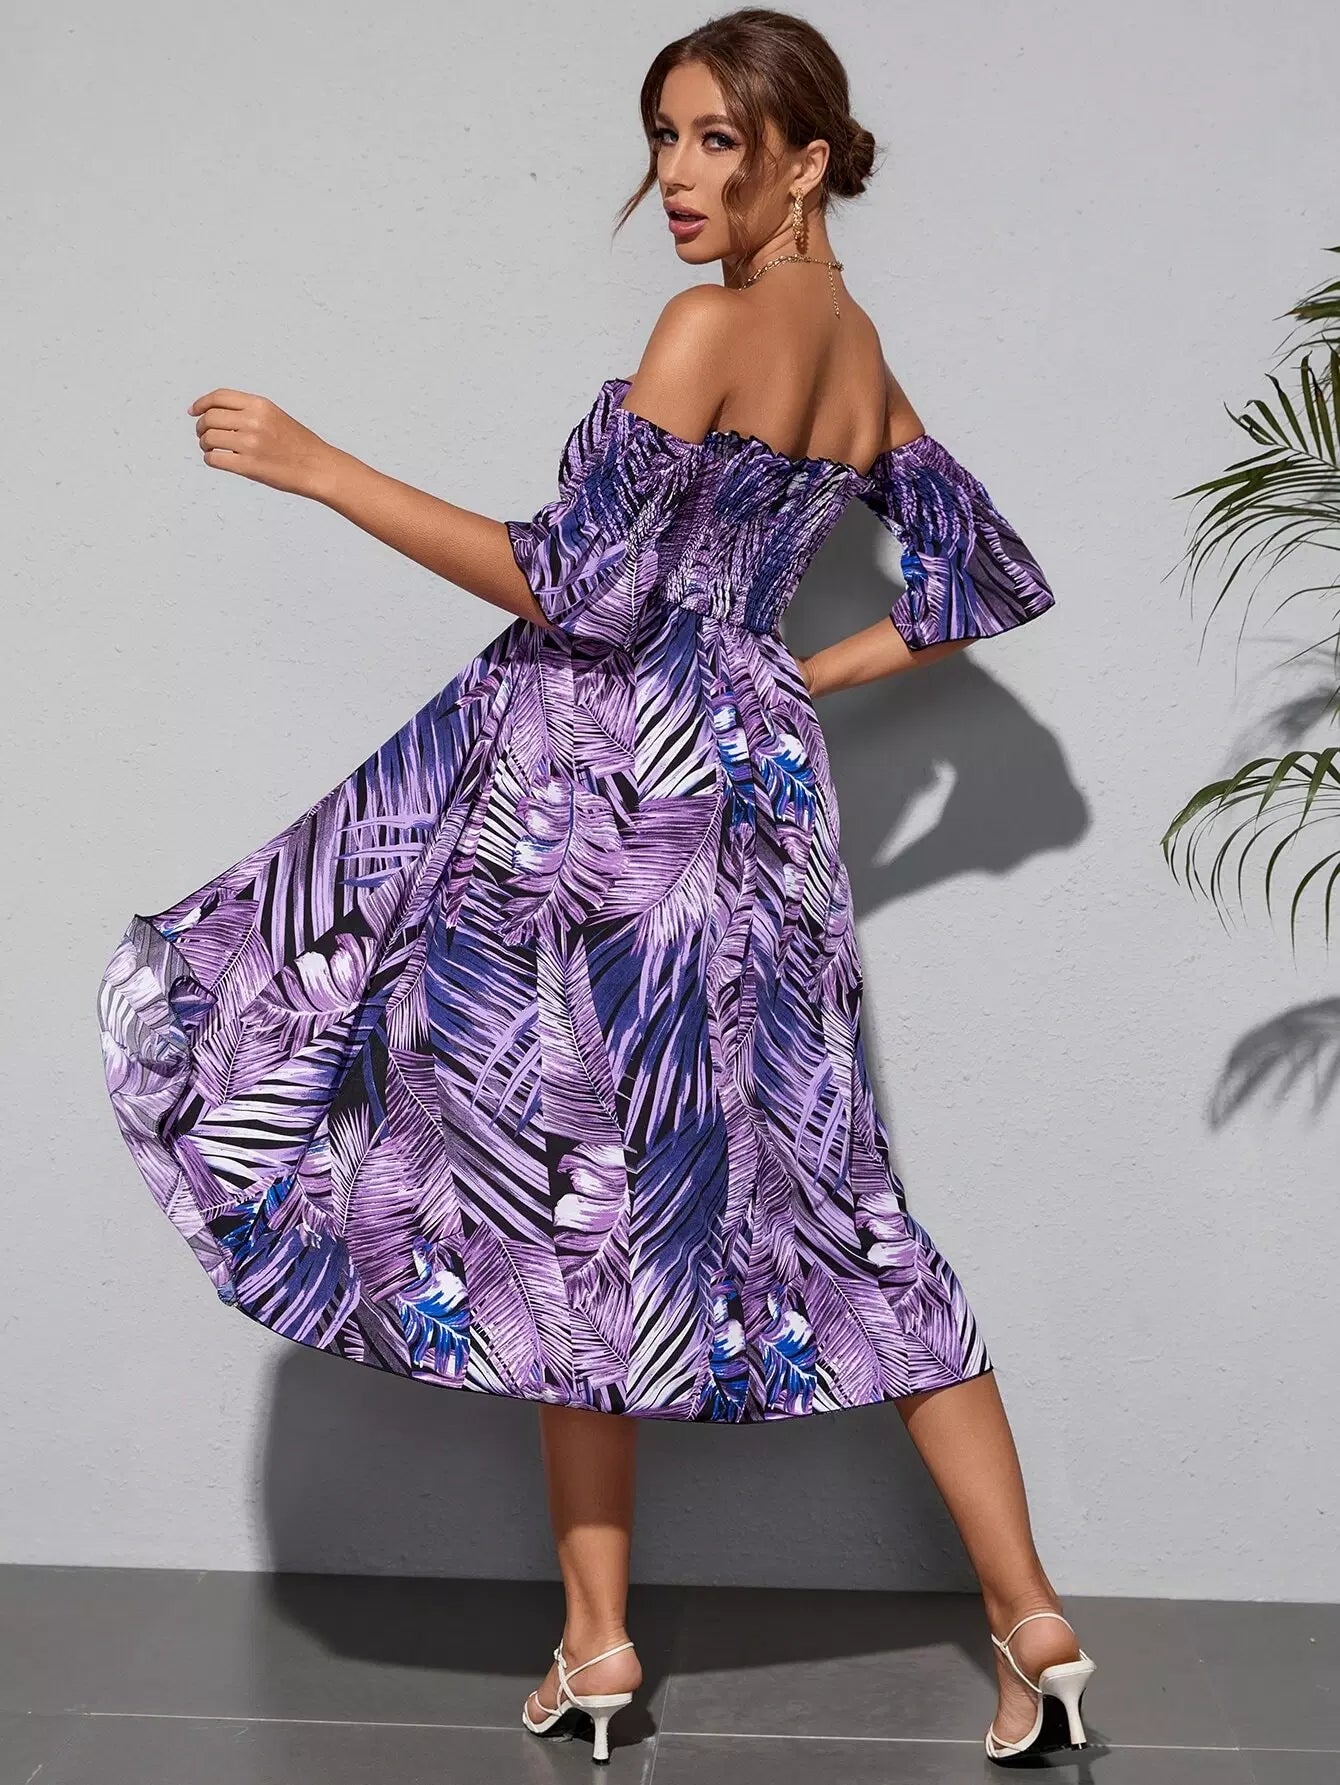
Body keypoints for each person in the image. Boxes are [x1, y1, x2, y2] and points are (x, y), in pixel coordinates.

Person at [95, 5, 1095, 1768]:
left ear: (807, 160)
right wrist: (777, 678)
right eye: (664, 137)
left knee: (568, 1197)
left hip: (600, 804)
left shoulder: (701, 330)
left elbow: (572, 588)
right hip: (757, 806)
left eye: (718, 141)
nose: (678, 177)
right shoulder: (858, 351)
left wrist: (320, 469)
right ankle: (1028, 1618)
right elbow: (980, 581)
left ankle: (601, 1641)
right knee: (846, 1209)